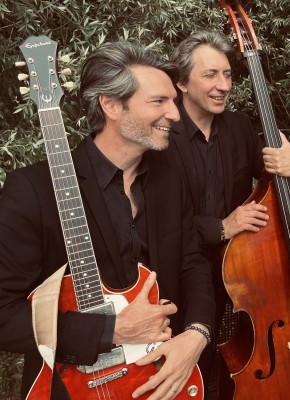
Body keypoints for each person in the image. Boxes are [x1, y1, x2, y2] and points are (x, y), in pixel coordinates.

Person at [0, 41, 216, 399]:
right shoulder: (33, 191)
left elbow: (193, 263)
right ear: (112, 105)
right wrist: (111, 330)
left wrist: (196, 334)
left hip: (162, 378)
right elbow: (4, 316)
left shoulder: (169, 178)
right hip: (76, 387)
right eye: (159, 101)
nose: (176, 114)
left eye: (173, 101)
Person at [156, 30, 290, 396]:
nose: (224, 85)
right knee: (187, 379)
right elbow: (156, 221)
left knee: (234, 372)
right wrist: (221, 227)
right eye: (210, 75)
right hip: (179, 280)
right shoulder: (162, 135)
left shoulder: (239, 127)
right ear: (182, 82)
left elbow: (277, 179)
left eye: (228, 74)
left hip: (240, 279)